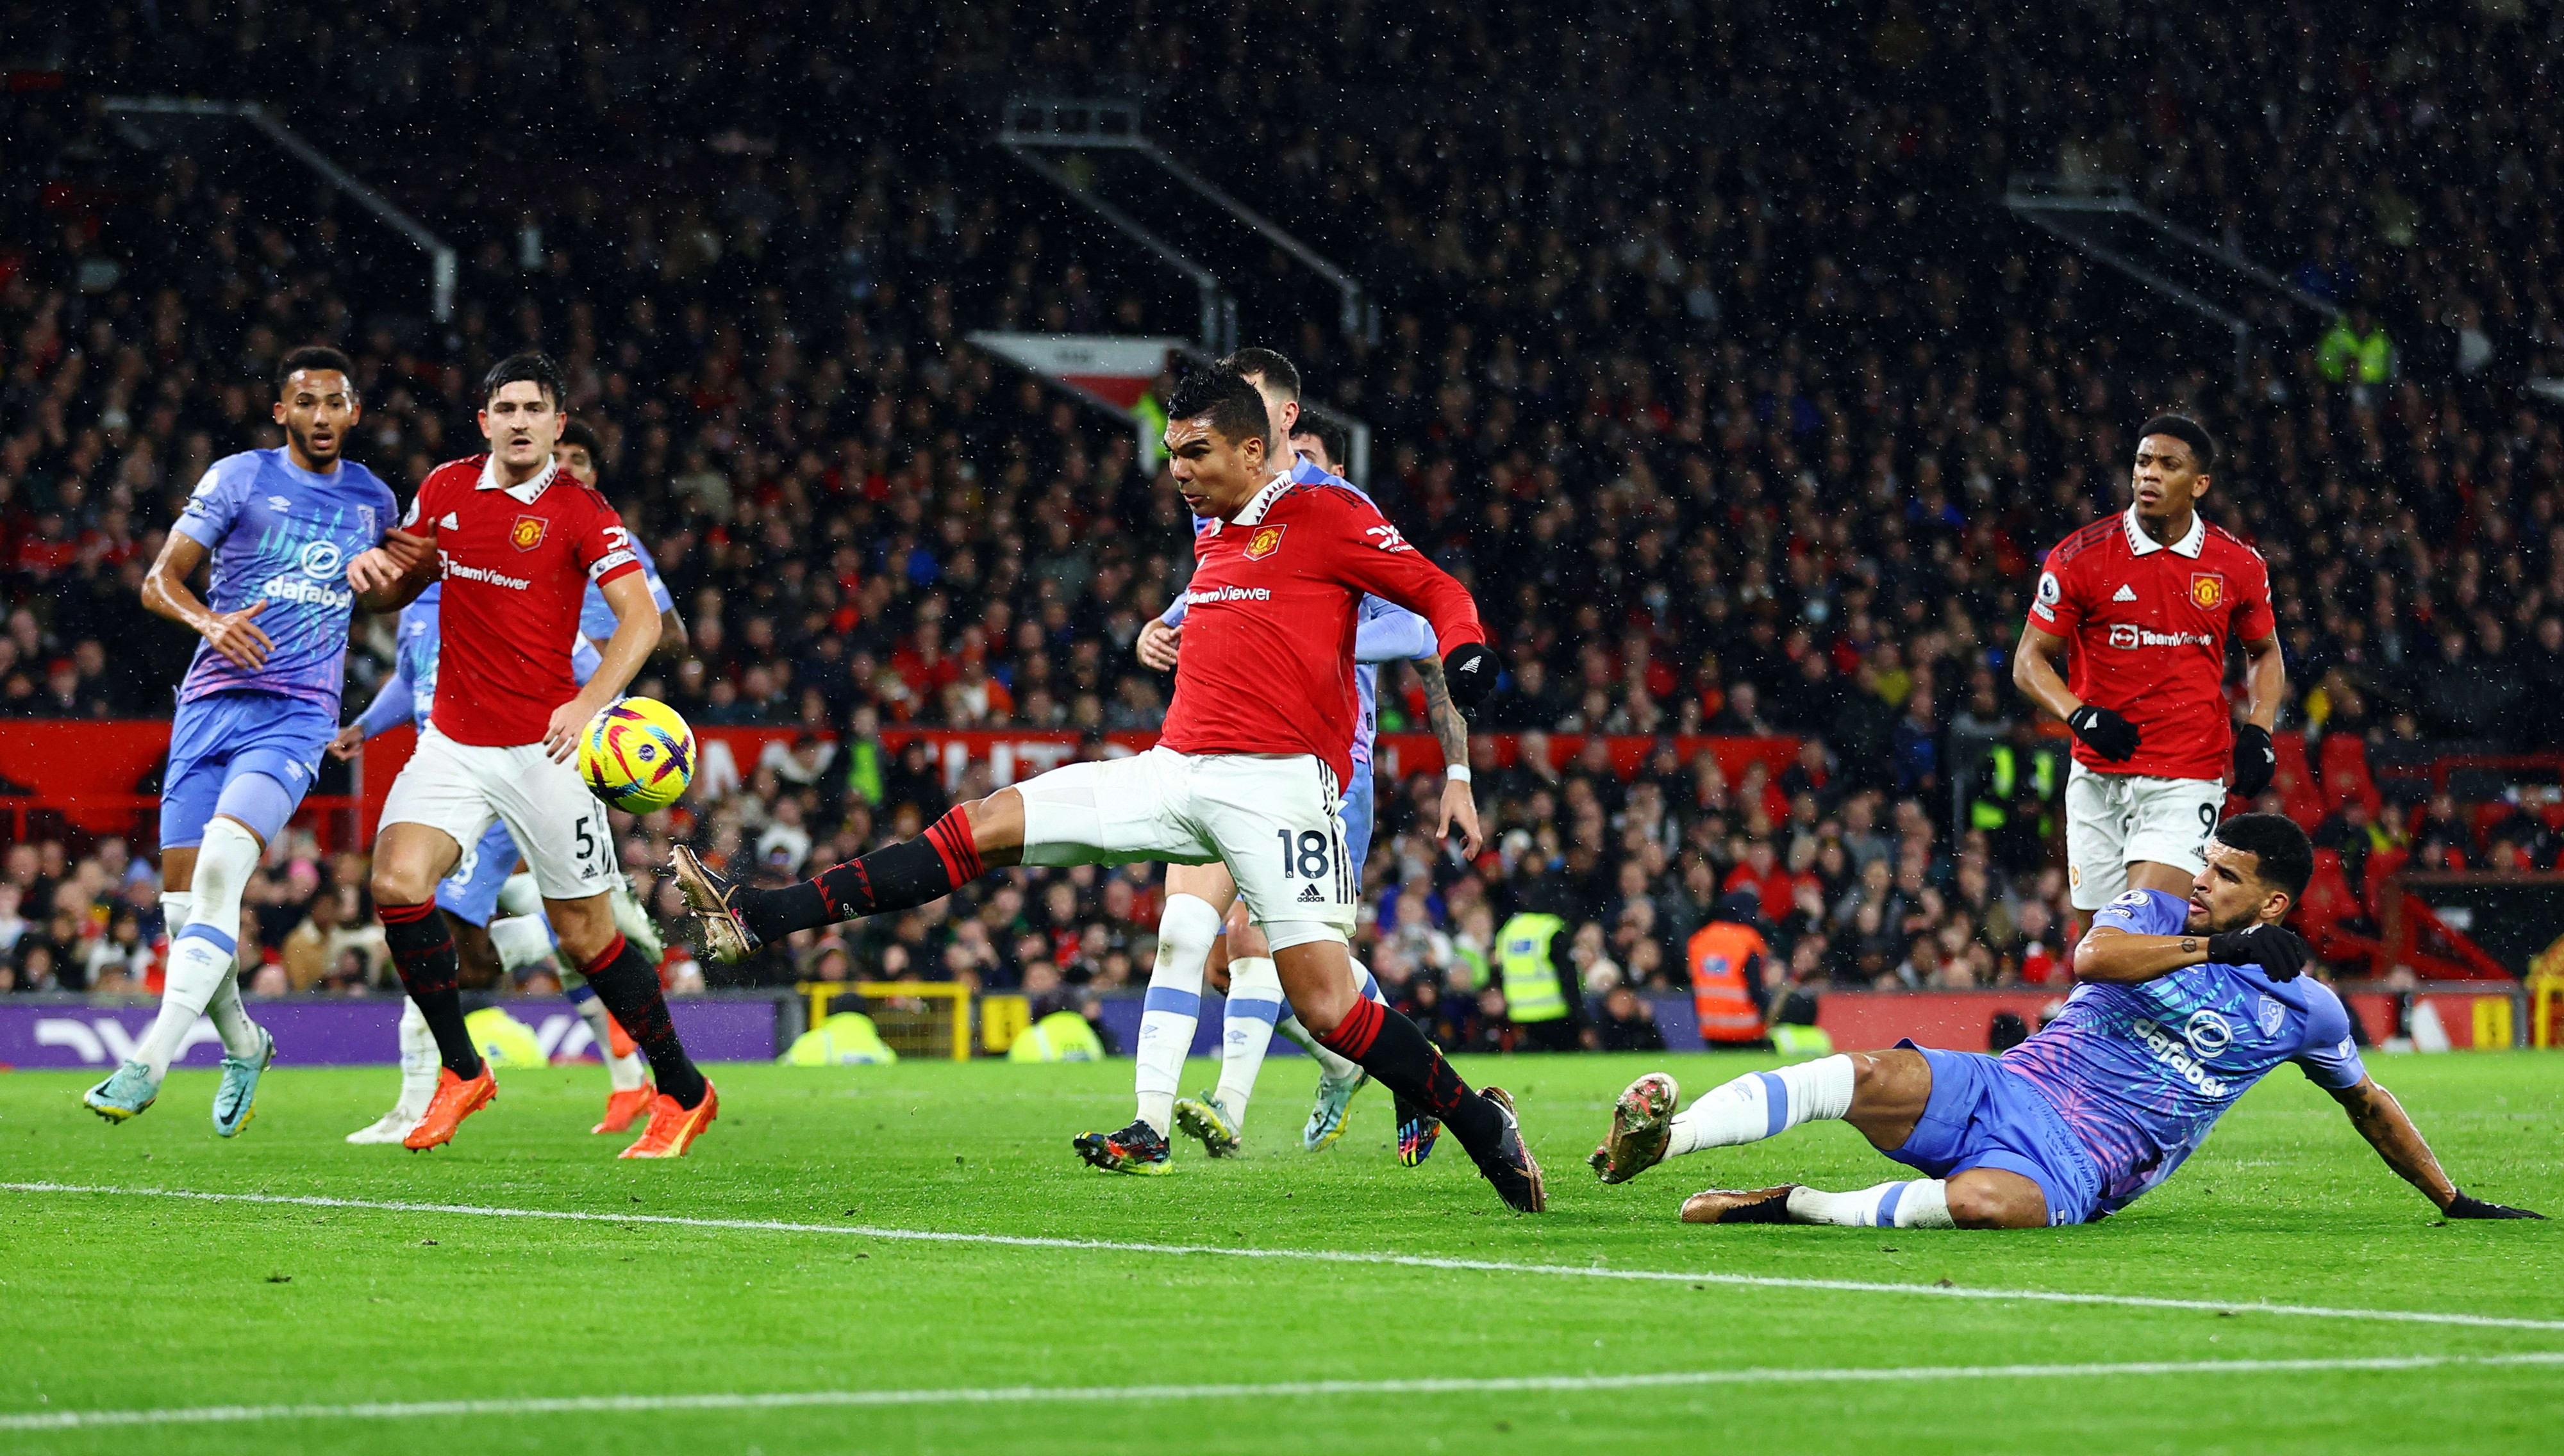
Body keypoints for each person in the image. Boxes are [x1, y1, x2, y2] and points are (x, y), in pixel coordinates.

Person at [673, 365, 1543, 1211]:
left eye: (1197, 453)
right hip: (1173, 772)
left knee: (1326, 1007)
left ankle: (1478, 1122)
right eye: (1171, 454)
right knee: (983, 825)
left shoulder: (1325, 513)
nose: (1180, 473)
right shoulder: (1214, 535)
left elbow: (1435, 587)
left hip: (1279, 790)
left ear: (1253, 448)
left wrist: (1466, 649)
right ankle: (762, 912)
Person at [1589, 815, 2544, 1227]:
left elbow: (2368, 1102)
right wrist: (2220, 948)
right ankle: (1658, 1145)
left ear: (2277, 904)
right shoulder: (2159, 910)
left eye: (2226, 877)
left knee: (1983, 1208)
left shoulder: (2308, 1010)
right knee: (1866, 1073)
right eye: (2204, 863)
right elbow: (2093, 959)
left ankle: (1795, 1206)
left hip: (2087, 1161)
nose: (2200, 881)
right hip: (2016, 1083)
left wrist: (2451, 1199)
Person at [342, 351, 715, 1157]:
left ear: (555, 422)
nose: (517, 421)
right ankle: (463, 1071)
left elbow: (644, 622)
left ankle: (682, 1089)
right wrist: (371, 575)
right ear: (484, 421)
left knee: (585, 936)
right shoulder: (443, 488)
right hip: (452, 742)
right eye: (503, 408)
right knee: (397, 884)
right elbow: (402, 585)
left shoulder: (584, 512)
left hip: (544, 752)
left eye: (532, 409)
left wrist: (587, 706)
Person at [1131, 352, 1479, 1167]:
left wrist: (1457, 777)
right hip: (1227, 758)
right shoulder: (1223, 512)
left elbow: (1432, 647)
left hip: (1328, 775)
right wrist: (1161, 625)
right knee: (1223, 961)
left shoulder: (1340, 513)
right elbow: (1207, 594)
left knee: (1259, 942)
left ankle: (1226, 1108)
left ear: (1280, 422)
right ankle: (1353, 1062)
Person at [84, 347, 401, 1134]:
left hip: (296, 712)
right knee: (185, 908)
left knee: (226, 866)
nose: (321, 416)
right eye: (306, 403)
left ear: (354, 412)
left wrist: (404, 579)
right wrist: (210, 620)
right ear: (281, 412)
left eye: (335, 402)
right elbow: (160, 581)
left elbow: (394, 589)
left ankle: (146, 1062)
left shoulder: (374, 500)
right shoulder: (239, 477)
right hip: (209, 707)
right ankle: (245, 1041)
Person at [2012, 415, 2285, 920]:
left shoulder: (2237, 564)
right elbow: (2028, 660)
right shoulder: (2081, 557)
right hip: (2096, 772)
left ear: (2200, 484)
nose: (2149, 475)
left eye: (2168, 465)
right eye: (2143, 462)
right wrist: (2079, 716)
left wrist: (2260, 728)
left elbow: (2264, 651)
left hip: (2186, 773)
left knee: (2138, 924)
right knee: (2098, 949)